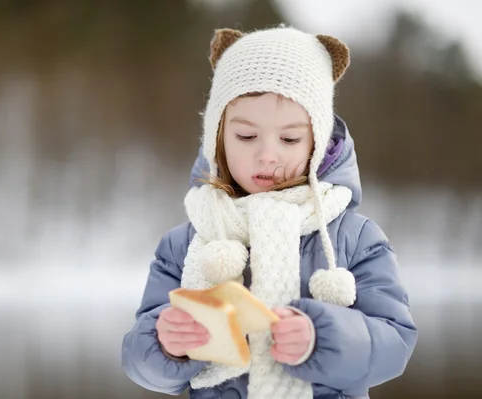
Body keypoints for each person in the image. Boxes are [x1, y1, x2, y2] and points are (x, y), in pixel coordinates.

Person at [121, 24, 418, 399]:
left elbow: (394, 344)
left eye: (290, 139)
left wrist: (322, 338)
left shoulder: (355, 240)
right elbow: (139, 360)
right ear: (218, 138)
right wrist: (165, 343)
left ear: (316, 143)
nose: (267, 155)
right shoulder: (186, 243)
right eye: (246, 136)